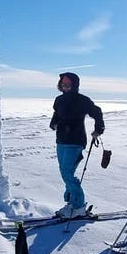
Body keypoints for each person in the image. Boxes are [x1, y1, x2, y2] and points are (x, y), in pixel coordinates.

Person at [50, 72, 105, 219]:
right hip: (61, 140)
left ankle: (79, 206)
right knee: (64, 173)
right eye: (63, 84)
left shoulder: (82, 100)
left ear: (75, 85)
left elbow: (97, 112)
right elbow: (57, 114)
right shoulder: (59, 100)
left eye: (68, 84)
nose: (65, 86)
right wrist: (53, 123)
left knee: (67, 173)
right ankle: (71, 204)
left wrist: (98, 130)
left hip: (75, 141)